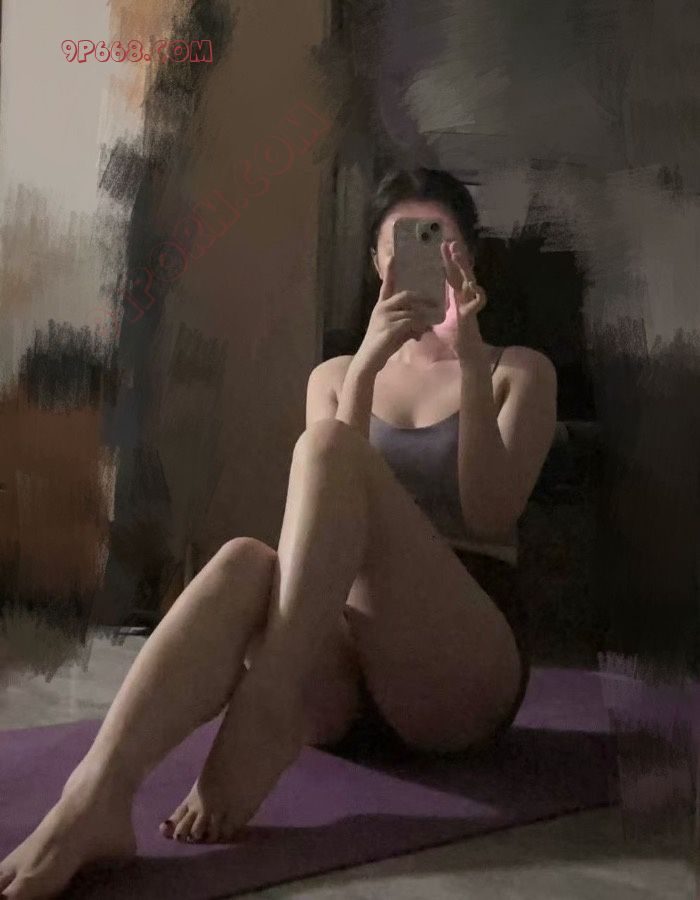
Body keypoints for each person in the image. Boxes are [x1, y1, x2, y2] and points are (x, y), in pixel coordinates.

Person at [0, 167, 557, 899]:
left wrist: (472, 356)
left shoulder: (519, 371)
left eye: (440, 241)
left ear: (468, 257)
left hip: (456, 669)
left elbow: (489, 513)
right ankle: (93, 798)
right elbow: (335, 501)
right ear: (378, 261)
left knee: (328, 449)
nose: (424, 257)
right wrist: (368, 364)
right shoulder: (334, 374)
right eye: (403, 243)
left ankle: (264, 708)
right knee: (243, 558)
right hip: (337, 668)